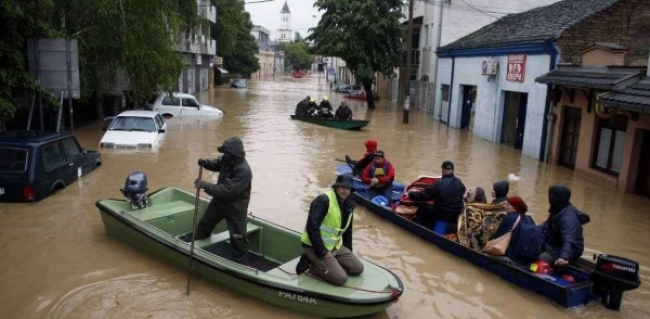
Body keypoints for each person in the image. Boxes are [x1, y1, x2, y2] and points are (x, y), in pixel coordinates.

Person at [193, 137, 253, 265]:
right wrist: (206, 163)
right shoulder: (227, 159)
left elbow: (227, 190)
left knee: (238, 237)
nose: (224, 155)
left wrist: (205, 185)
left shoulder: (244, 171)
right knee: (205, 224)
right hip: (220, 202)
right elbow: (217, 164)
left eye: (227, 153)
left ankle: (241, 264)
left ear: (233, 154)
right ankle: (196, 246)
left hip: (235, 208)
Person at [296, 174, 364, 286]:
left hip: (333, 247)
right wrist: (323, 251)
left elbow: (348, 232)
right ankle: (312, 266)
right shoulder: (323, 200)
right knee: (340, 279)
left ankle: (331, 264)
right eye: (342, 187)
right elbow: (312, 227)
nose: (345, 190)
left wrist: (349, 253)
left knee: (357, 269)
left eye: (348, 188)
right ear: (336, 187)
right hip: (314, 247)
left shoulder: (349, 205)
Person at [538, 185, 590, 266]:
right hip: (553, 245)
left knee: (540, 258)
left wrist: (564, 257)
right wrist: (532, 230)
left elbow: (569, 239)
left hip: (564, 252)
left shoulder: (568, 218)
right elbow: (546, 226)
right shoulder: (558, 210)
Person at [409, 161, 466, 233]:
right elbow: (462, 191)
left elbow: (424, 195)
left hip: (443, 214)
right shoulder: (459, 182)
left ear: (443, 169)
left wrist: (412, 195)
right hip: (456, 214)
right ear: (453, 170)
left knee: (424, 206)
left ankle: (417, 225)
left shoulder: (439, 183)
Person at [488, 196, 544, 265]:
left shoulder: (509, 218)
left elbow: (498, 236)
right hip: (527, 255)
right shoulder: (529, 218)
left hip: (513, 255)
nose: (505, 206)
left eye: (508, 205)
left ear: (515, 207)